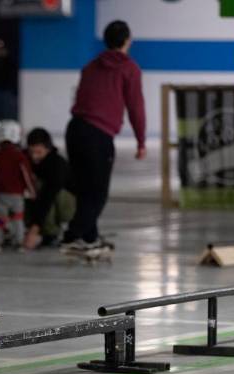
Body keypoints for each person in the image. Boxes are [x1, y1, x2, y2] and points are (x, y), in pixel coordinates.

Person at [61, 20, 146, 254]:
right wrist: (141, 141)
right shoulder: (129, 68)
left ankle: (90, 238)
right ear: (127, 40)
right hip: (98, 135)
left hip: (75, 129)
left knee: (85, 188)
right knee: (97, 192)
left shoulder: (91, 66)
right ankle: (73, 235)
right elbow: (136, 107)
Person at [0, 119, 36, 252]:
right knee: (18, 219)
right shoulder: (20, 156)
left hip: (0, 194)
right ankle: (19, 243)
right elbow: (26, 176)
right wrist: (31, 191)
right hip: (17, 195)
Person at [23, 128, 75, 250]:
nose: (34, 157)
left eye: (39, 152)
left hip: (67, 205)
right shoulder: (24, 159)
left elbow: (47, 197)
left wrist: (33, 231)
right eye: (31, 152)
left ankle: (50, 233)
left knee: (43, 189)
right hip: (43, 202)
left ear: (48, 149)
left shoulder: (57, 165)